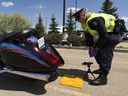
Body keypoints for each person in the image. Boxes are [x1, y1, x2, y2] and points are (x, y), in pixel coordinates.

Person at [72, 8, 124, 85]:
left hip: (114, 34)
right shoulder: (84, 23)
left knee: (105, 53)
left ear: (83, 14)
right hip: (104, 36)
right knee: (96, 52)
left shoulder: (94, 20)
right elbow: (88, 36)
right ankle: (101, 68)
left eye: (78, 17)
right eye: (76, 19)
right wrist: (91, 47)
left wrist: (97, 47)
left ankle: (103, 77)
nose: (77, 20)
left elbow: (104, 36)